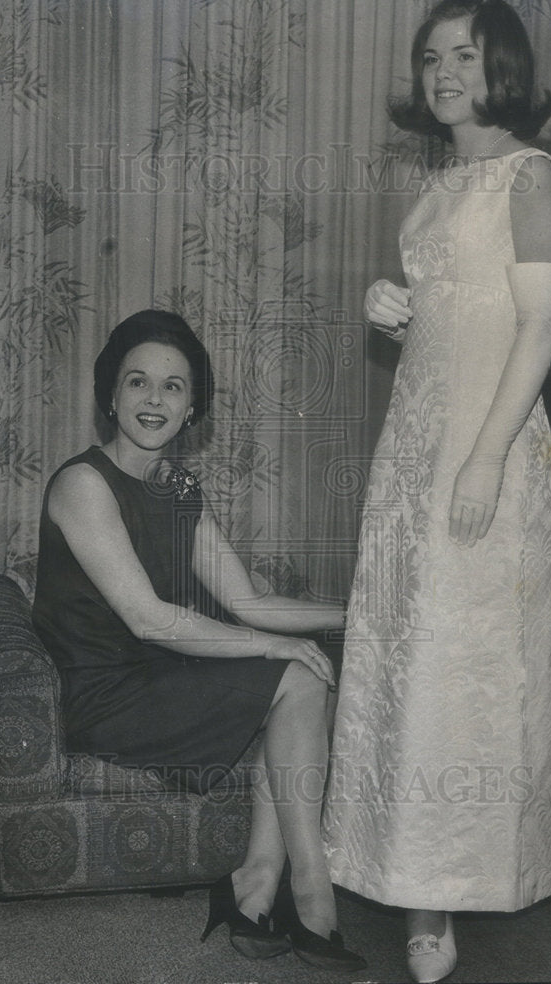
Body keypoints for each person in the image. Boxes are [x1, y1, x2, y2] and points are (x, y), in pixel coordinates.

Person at [321, 0, 551, 983]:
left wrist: (485, 456)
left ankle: (452, 894)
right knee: (409, 657)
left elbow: (541, 332)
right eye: (433, 57)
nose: (446, 74)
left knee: (467, 668)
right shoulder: (436, 190)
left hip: (490, 450)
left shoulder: (530, 177)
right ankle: (415, 884)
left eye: (466, 58)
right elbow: (454, 322)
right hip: (413, 450)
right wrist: (392, 310)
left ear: (504, 70)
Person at [32, 309, 366, 973]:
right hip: (101, 691)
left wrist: (358, 613)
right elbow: (148, 618)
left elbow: (247, 600)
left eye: (174, 387)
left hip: (152, 674)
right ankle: (310, 887)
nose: (154, 399)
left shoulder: (179, 486)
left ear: (192, 409)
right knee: (292, 669)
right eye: (138, 382)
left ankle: (259, 881)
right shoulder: (82, 484)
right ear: (110, 396)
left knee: (307, 672)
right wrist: (270, 647)